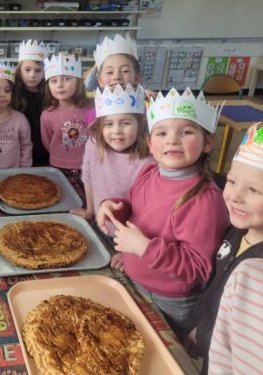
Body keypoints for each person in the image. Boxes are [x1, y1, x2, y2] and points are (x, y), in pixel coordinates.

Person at [97, 88, 229, 339]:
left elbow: (198, 269)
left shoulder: (204, 200)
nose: (172, 140)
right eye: (162, 133)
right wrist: (113, 206)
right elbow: (137, 209)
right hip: (136, 278)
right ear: (150, 143)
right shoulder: (148, 172)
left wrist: (143, 249)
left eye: (186, 132)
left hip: (170, 302)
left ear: (208, 142)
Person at [188, 122, 263, 374]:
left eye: (254, 190)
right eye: (231, 181)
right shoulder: (236, 231)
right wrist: (202, 327)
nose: (234, 195)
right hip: (210, 345)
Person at [70, 84, 152, 227]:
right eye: (109, 124)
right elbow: (88, 177)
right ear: (100, 126)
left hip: (130, 233)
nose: (116, 131)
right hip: (101, 224)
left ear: (141, 125)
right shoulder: (94, 143)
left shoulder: (149, 158)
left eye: (126, 123)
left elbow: (148, 205)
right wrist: (90, 211)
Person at [40, 53, 95, 178]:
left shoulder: (92, 108)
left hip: (88, 165)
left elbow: (96, 135)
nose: (59, 84)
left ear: (78, 82)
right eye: (54, 81)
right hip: (58, 167)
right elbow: (47, 141)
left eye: (67, 79)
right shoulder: (47, 115)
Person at [13, 40, 49, 166]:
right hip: (19, 153)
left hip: (45, 152)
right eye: (27, 69)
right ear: (19, 70)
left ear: (45, 73)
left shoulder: (50, 95)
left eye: (38, 70)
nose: (32, 75)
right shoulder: (13, 94)